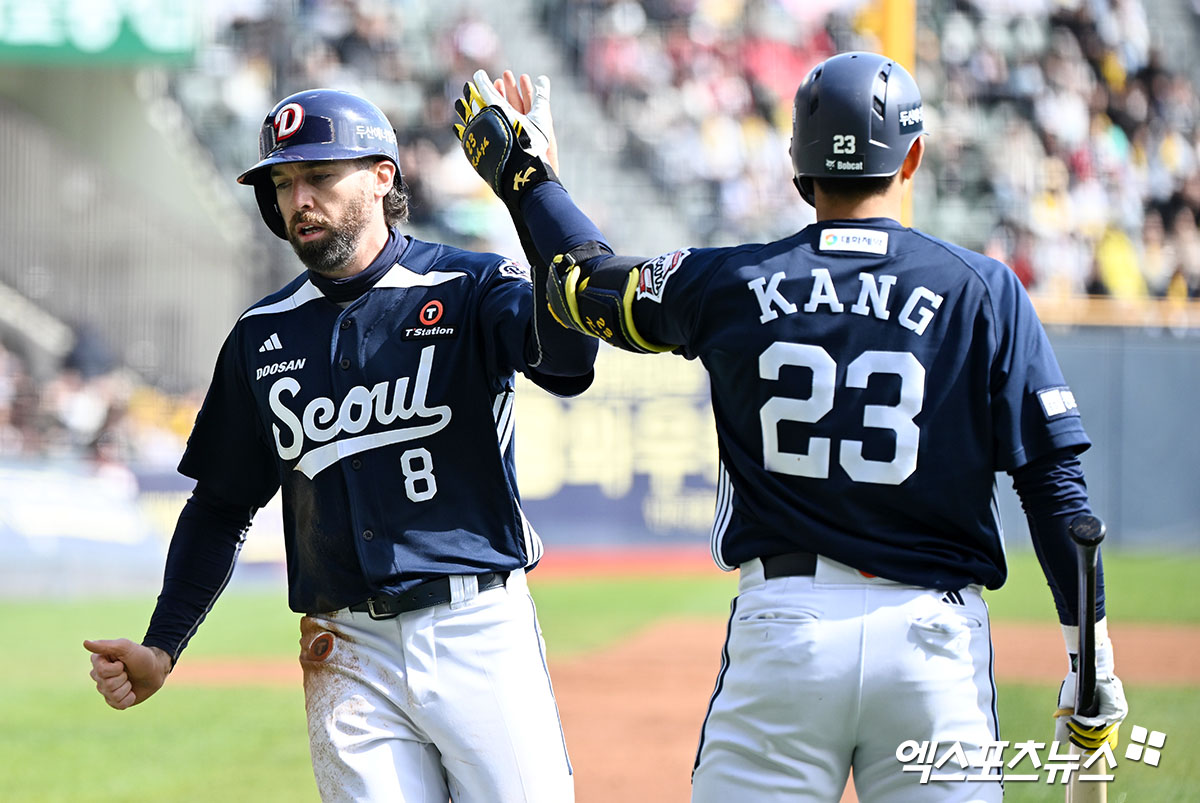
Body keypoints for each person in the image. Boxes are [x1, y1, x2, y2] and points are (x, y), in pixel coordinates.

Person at [453, 55, 1128, 801]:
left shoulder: (726, 282)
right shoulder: (984, 289)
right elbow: (1056, 490)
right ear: (913, 156)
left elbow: (581, 282)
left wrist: (528, 175)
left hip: (786, 630)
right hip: (932, 643)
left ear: (796, 167)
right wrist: (1088, 653)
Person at [84, 87, 594, 802]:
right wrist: (162, 643)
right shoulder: (263, 336)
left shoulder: (473, 284)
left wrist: (534, 193)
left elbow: (570, 363)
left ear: (382, 175)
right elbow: (220, 505)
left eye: (320, 176)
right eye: (285, 183)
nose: (300, 199)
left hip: (477, 626)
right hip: (344, 650)